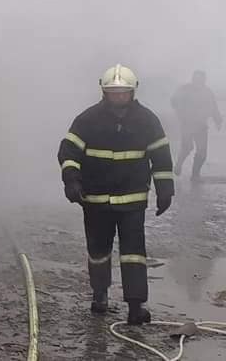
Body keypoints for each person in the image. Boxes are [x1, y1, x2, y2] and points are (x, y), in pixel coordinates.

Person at [57, 64, 174, 325]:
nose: (119, 96)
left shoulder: (147, 120)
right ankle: (100, 296)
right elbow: (68, 151)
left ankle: (135, 306)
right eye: (113, 92)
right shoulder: (87, 119)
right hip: (95, 199)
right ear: (104, 91)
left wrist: (165, 190)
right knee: (98, 250)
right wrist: (71, 180)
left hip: (132, 201)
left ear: (132, 92)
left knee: (134, 253)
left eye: (123, 92)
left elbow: (161, 156)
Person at [171, 70, 223, 181]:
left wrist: (218, 120)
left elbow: (213, 107)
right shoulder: (185, 89)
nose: (198, 81)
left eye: (201, 79)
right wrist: (180, 112)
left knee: (202, 152)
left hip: (201, 126)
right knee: (187, 147)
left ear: (204, 80)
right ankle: (178, 165)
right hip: (187, 125)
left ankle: (195, 175)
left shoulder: (207, 92)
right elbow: (174, 100)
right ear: (193, 78)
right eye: (196, 78)